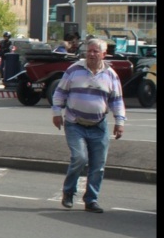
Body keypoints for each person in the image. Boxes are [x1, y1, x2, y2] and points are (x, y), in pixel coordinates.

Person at [51, 38, 125, 214]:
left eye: (95, 52)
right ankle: (68, 193)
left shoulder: (110, 75)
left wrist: (119, 122)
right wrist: (56, 113)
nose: (91, 54)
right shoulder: (74, 70)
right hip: (75, 123)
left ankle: (91, 200)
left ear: (103, 54)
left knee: (98, 165)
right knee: (80, 158)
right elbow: (60, 92)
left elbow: (117, 100)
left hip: (99, 126)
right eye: (89, 51)